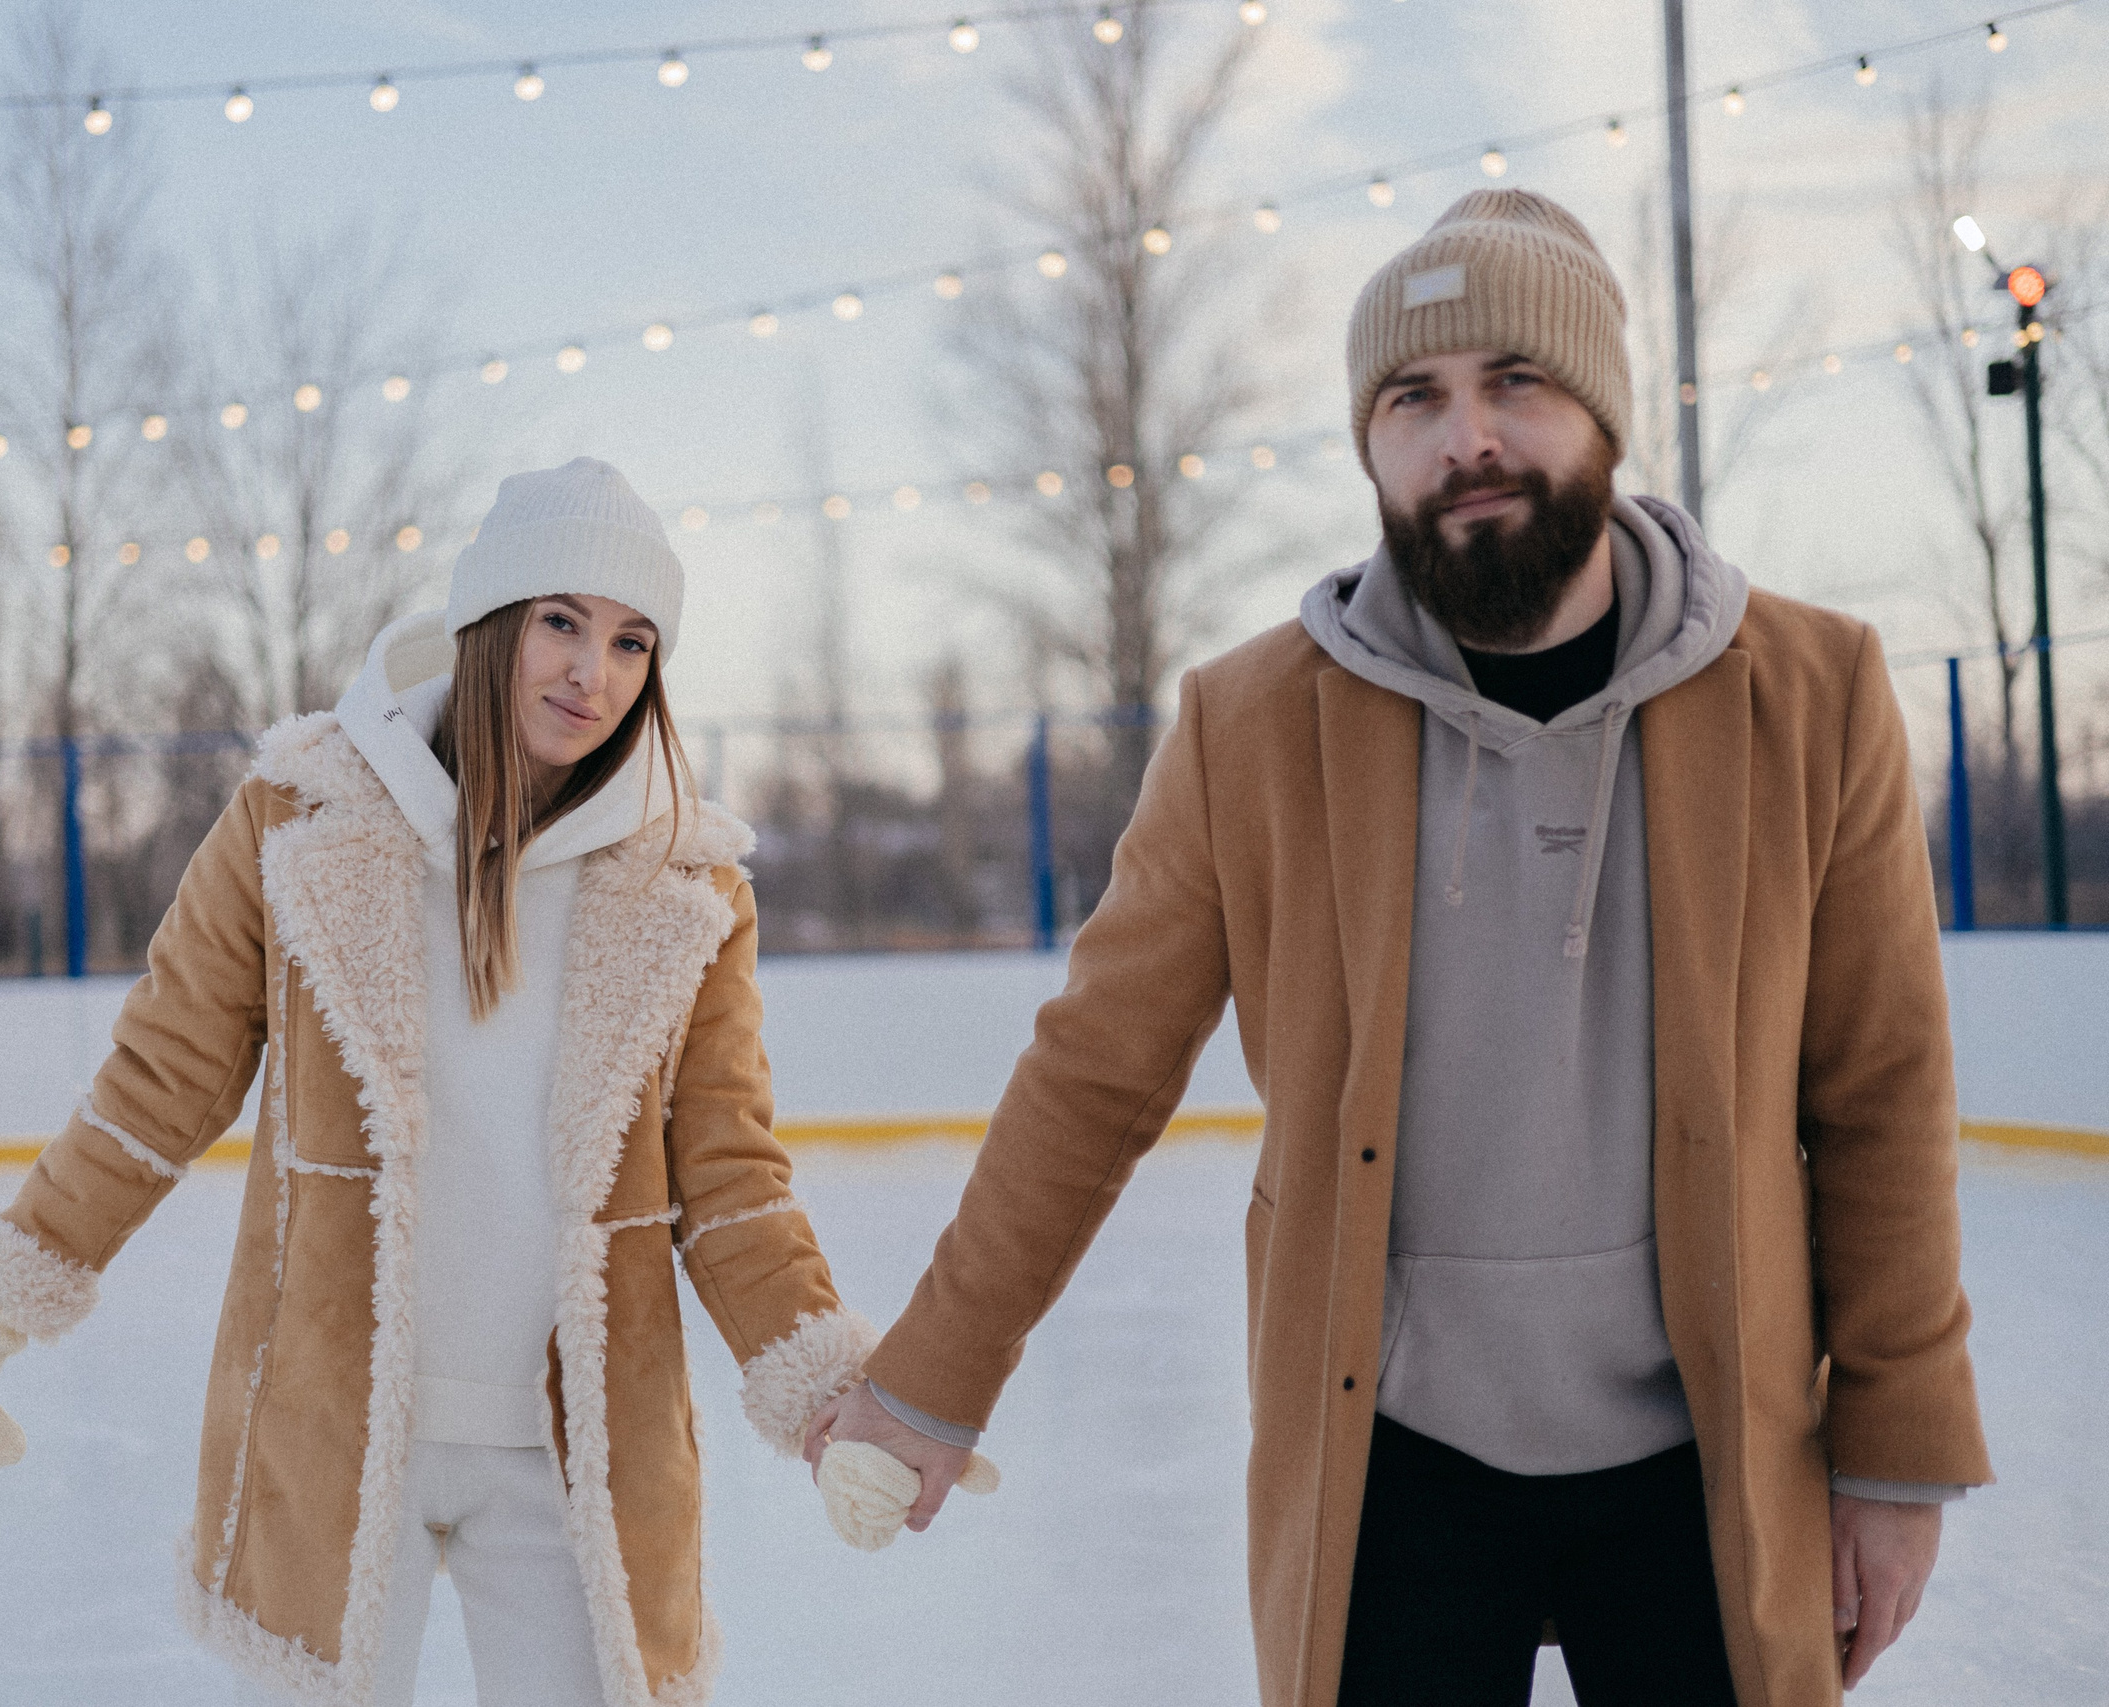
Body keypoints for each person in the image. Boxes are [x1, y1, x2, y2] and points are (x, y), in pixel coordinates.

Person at [807, 191, 1992, 1706]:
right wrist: (931, 1374)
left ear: (1603, 414)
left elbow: (1882, 1090)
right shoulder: (1251, 725)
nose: (1466, 436)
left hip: (1709, 1448)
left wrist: (1898, 1447)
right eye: (1412, 399)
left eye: (1517, 383)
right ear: (1370, 446)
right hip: (1395, 1461)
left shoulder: (1811, 692)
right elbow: (1094, 1069)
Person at [0, 458, 879, 1707]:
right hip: (338, 1433)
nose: (593, 673)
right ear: (491, 625)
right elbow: (157, 1087)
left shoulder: (686, 888)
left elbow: (732, 1181)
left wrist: (824, 1404)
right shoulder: (300, 821)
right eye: (561, 624)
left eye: (634, 643)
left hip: (573, 1453)